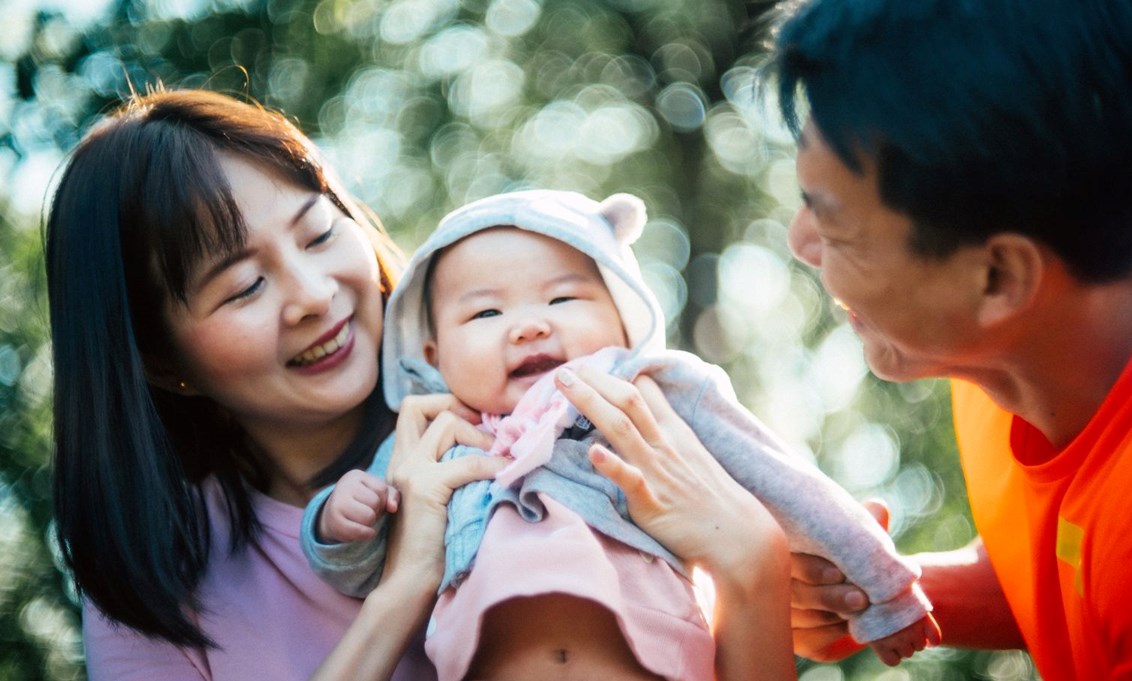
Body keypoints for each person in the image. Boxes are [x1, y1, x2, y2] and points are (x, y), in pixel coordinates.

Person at [43, 89, 783, 680]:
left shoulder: (544, 430)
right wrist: (404, 587)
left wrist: (756, 567)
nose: (311, 294)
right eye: (242, 287)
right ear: (156, 358)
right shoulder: (155, 581)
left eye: (319, 233)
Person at [299, 188, 940, 679]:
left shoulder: (647, 396)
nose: (527, 326)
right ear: (434, 355)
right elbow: (362, 573)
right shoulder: (435, 438)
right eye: (488, 311)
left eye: (563, 300)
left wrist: (885, 588)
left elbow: (784, 483)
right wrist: (338, 519)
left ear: (622, 315)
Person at [768, 1, 1132, 679]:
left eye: (836, 226)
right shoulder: (1008, 364)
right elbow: (1064, 561)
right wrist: (886, 588)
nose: (800, 244)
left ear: (997, 276)